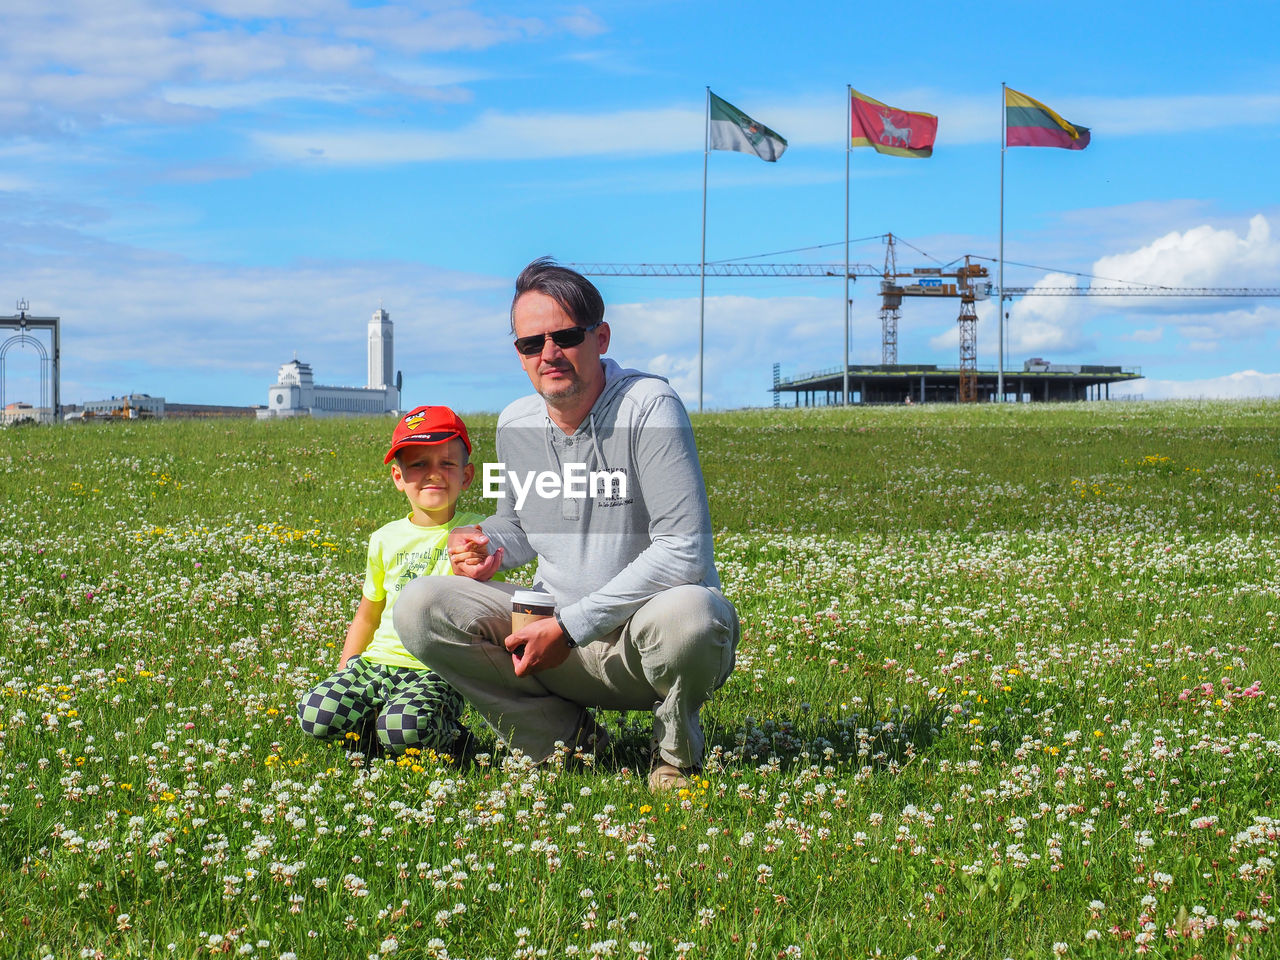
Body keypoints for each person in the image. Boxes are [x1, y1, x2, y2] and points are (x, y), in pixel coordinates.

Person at [395, 257, 739, 790]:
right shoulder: (516, 421)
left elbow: (684, 549)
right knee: (420, 606)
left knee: (693, 614)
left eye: (566, 336)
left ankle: (675, 756)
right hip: (552, 637)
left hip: (642, 642)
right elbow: (520, 523)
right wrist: (490, 545)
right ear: (519, 353)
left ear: (600, 337)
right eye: (532, 343)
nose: (548, 354)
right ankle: (565, 743)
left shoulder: (650, 405)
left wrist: (570, 625)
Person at [296, 405, 482, 758]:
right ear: (398, 478)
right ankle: (376, 732)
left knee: (403, 728)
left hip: (436, 670)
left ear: (467, 475)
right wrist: (346, 668)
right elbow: (368, 614)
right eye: (418, 465)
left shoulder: (478, 533)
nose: (433, 475)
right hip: (376, 664)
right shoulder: (384, 538)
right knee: (316, 713)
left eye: (446, 463)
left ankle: (453, 739)